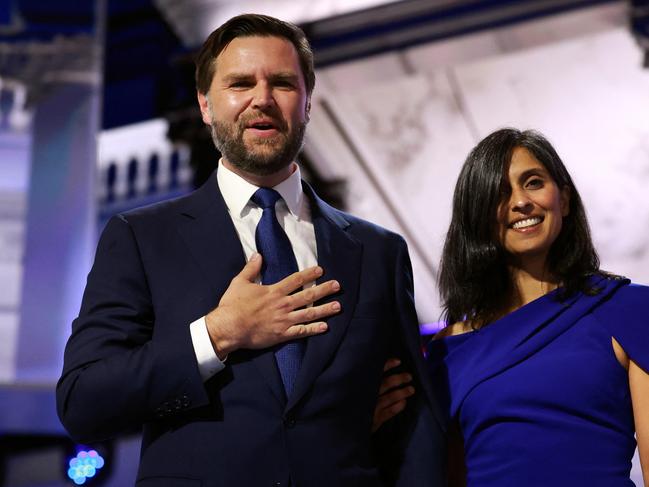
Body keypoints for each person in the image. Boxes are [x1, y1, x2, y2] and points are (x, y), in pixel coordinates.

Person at [56, 13, 445, 487]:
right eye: (240, 83)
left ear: (307, 104)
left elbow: (414, 428)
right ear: (204, 104)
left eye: (282, 82)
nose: (262, 99)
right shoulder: (141, 237)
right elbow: (84, 400)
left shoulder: (378, 251)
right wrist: (219, 333)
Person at [375, 128, 649, 485]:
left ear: (563, 200)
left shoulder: (629, 308)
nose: (520, 201)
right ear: (479, 217)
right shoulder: (448, 350)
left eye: (533, 182)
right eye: (500, 193)